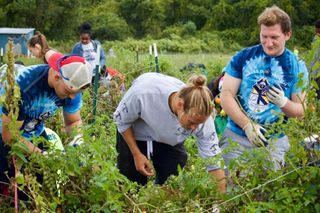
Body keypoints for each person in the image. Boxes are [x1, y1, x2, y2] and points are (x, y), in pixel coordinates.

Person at [220, 5, 308, 171]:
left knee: (269, 190)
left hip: (274, 141)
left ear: (287, 35)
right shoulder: (243, 57)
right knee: (233, 188)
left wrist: (283, 102)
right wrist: (247, 125)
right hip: (237, 136)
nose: (268, 43)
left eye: (274, 37)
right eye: (264, 36)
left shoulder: (297, 66)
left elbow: (300, 110)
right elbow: (226, 95)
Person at [113, 72, 226, 192]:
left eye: (199, 123)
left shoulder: (202, 118)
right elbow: (122, 121)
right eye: (192, 122)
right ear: (180, 105)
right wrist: (136, 154)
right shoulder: (143, 93)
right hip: (136, 132)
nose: (194, 128)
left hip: (169, 137)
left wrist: (222, 200)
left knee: (171, 181)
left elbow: (213, 162)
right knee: (132, 184)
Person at [0, 49, 92, 190]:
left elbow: (73, 122)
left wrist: (77, 143)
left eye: (76, 93)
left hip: (35, 132)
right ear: (56, 77)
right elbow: (10, 136)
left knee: (41, 183)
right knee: (10, 185)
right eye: (68, 92)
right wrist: (42, 154)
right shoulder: (24, 87)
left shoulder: (72, 85)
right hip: (6, 133)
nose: (72, 98)